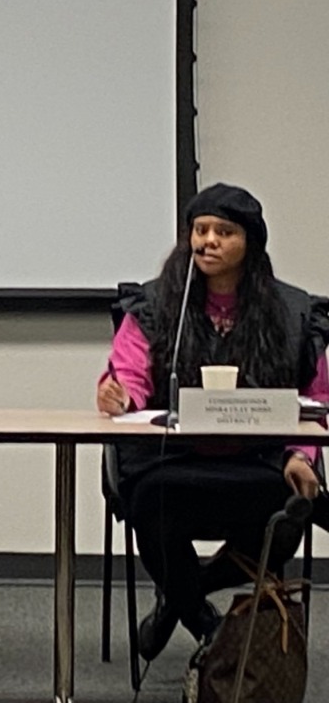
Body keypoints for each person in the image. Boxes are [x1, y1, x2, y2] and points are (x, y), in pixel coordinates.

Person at [96, 182, 329, 662]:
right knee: (151, 501)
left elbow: (316, 395)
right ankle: (207, 626)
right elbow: (130, 375)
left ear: (251, 243)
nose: (208, 241)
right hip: (173, 460)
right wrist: (118, 395)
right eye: (200, 230)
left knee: (292, 510)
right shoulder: (158, 305)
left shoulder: (291, 312)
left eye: (224, 232)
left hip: (260, 459)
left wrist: (302, 454)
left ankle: (177, 602)